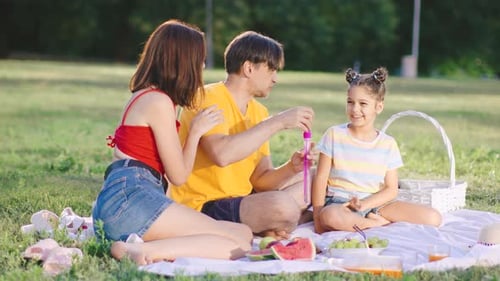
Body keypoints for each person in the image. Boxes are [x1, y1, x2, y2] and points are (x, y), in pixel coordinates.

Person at [92, 19, 252, 265]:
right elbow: (178, 176)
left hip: (125, 202)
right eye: (199, 59)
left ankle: (140, 248)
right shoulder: (158, 103)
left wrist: (195, 133)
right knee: (238, 243)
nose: (201, 66)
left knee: (243, 234)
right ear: (183, 61)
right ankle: (143, 252)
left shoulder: (148, 96)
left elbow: (179, 174)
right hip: (130, 201)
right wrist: (196, 132)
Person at [169, 31, 316, 240]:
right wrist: (279, 122)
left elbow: (261, 180)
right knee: (284, 207)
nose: (275, 78)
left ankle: (274, 224)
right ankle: (283, 222)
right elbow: (222, 154)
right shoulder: (206, 97)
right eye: (271, 69)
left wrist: (291, 168)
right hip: (203, 206)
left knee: (316, 176)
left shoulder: (259, 112)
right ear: (248, 68)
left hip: (241, 201)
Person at [311, 67, 442, 233]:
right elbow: (321, 178)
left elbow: (391, 189)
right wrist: (317, 216)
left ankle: (364, 222)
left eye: (363, 104)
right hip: (340, 203)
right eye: (350, 102)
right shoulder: (334, 134)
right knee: (329, 216)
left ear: (378, 107)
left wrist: (364, 205)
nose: (355, 109)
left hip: (375, 203)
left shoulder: (388, 144)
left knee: (433, 217)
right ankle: (376, 224)